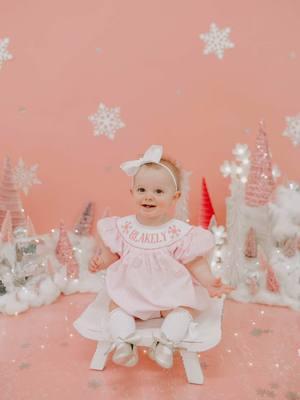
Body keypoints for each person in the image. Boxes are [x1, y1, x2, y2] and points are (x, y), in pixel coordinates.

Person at [76, 145, 232, 369]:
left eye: (159, 192)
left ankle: (165, 344)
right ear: (132, 193)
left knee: (183, 310)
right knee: (116, 307)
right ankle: (124, 343)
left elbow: (194, 261)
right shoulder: (124, 227)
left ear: (174, 197)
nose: (149, 196)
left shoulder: (178, 232)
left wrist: (210, 283)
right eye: (142, 190)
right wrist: (101, 261)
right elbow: (114, 253)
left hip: (168, 291)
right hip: (132, 291)